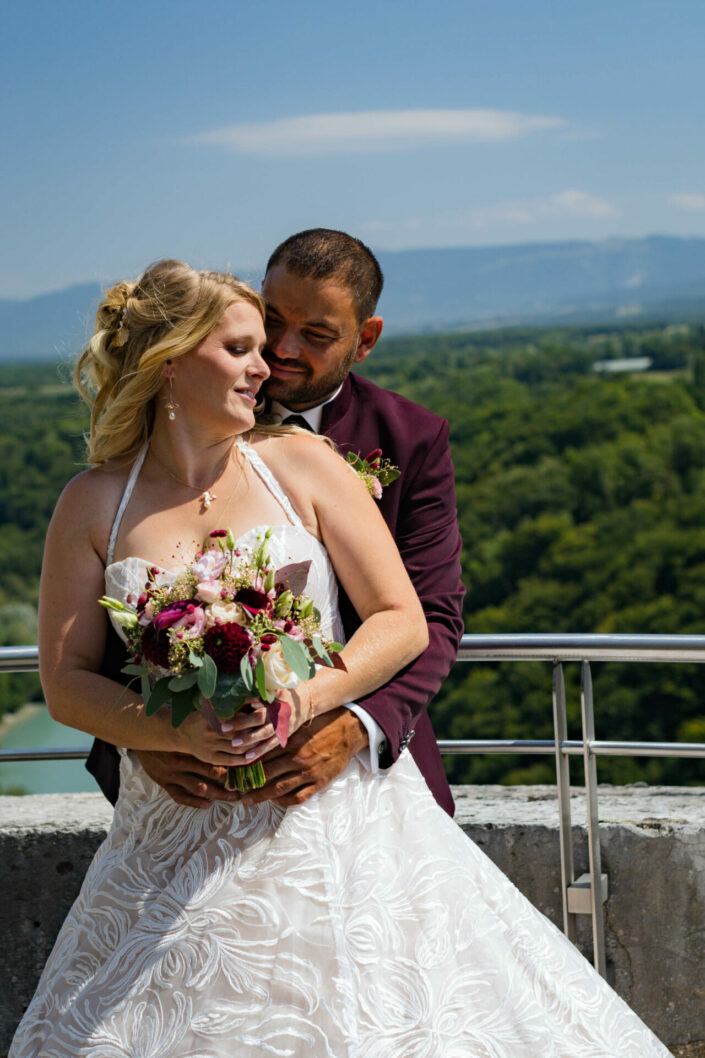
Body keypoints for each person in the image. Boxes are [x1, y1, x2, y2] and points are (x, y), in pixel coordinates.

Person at [11, 258, 670, 1057]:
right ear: (172, 359)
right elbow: (67, 683)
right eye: (240, 348)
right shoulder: (90, 503)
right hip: (171, 831)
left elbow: (401, 619)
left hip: (333, 814)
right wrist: (165, 732)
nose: (265, 367)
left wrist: (309, 699)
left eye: (263, 348)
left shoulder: (301, 464)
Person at [87, 229, 464, 817]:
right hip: (182, 784)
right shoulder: (192, 403)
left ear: (365, 340)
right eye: (272, 321)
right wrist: (144, 735)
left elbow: (431, 617)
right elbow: (117, 612)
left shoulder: (410, 439)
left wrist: (354, 726)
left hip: (354, 771)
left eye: (315, 335)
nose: (280, 351)